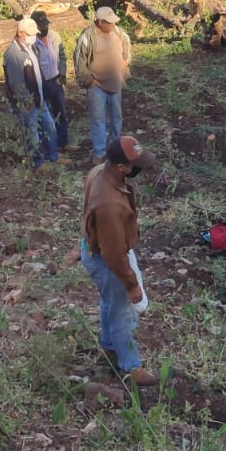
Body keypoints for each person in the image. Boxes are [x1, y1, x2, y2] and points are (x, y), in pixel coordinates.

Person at [81, 135, 159, 386]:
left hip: (96, 249)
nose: (138, 169)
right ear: (120, 166)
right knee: (123, 312)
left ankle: (109, 345)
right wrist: (132, 284)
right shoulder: (109, 205)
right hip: (107, 258)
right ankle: (130, 365)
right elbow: (113, 255)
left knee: (110, 302)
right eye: (134, 165)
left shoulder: (100, 172)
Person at [73, 5, 133, 163]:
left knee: (116, 117)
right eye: (109, 22)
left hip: (115, 83)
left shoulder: (118, 32)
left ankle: (115, 148)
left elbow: (127, 46)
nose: (113, 24)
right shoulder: (87, 37)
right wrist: (89, 81)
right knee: (98, 119)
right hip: (97, 86)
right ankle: (99, 152)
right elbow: (79, 61)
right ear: (100, 22)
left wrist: (124, 62)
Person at [3, 17, 59, 169]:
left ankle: (52, 157)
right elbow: (16, 83)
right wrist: (26, 101)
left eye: (34, 33)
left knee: (49, 127)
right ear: (20, 33)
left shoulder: (30, 47)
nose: (33, 36)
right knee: (32, 134)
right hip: (27, 103)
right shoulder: (14, 54)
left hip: (39, 99)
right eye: (30, 34)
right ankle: (37, 164)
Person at [31, 10, 70, 150]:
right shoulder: (31, 43)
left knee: (61, 114)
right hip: (41, 84)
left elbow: (62, 56)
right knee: (45, 119)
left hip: (55, 80)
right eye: (41, 26)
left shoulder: (54, 36)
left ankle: (63, 143)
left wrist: (62, 75)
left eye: (45, 25)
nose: (44, 28)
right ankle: (48, 148)